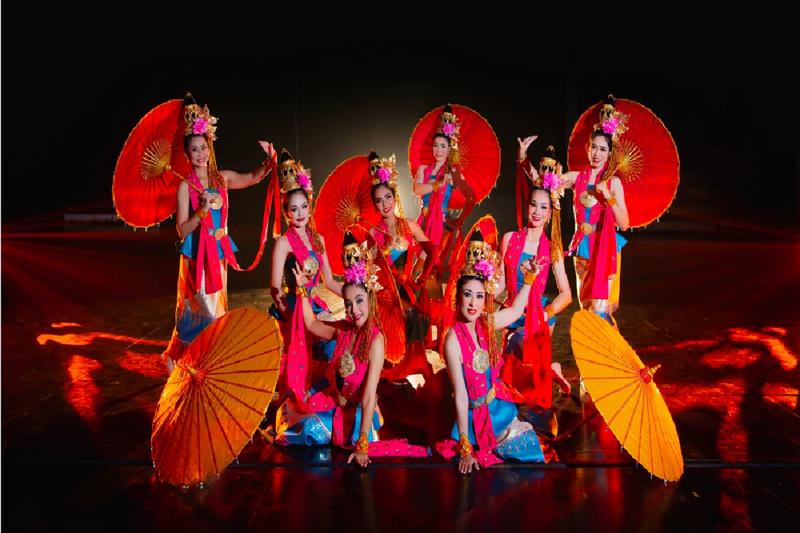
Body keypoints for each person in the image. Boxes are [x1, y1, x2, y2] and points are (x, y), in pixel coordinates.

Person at [275, 233, 429, 466]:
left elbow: (368, 397)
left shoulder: (376, 342)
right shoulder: (345, 330)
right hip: (335, 402)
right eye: (348, 304)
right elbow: (312, 324)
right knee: (296, 419)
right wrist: (303, 291)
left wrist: (363, 447)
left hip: (358, 415)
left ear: (370, 299)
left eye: (359, 301)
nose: (354, 310)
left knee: (311, 431)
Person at [162, 94, 276, 371]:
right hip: (194, 256)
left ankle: (210, 357)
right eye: (194, 150)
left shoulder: (220, 178)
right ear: (187, 155)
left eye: (203, 148)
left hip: (218, 251)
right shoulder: (184, 187)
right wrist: (200, 212)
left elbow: (252, 178)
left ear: (209, 147)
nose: (200, 154)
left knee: (217, 305)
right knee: (196, 307)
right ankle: (179, 355)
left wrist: (271, 158)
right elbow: (181, 230)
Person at [436, 227, 547, 474]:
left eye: (478, 296)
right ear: (458, 296)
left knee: (533, 452)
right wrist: (465, 447)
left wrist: (529, 280)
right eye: (468, 295)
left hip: (497, 409)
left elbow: (517, 310)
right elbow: (461, 396)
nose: (474, 303)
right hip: (473, 419)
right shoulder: (452, 340)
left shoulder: (485, 323)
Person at [518, 96, 630, 324]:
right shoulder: (575, 178)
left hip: (605, 247)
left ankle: (610, 356)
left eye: (603, 149)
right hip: (582, 249)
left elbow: (625, 223)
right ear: (588, 149)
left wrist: (608, 198)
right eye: (594, 148)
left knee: (601, 311)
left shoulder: (613, 183)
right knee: (587, 309)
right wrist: (523, 159)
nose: (597, 154)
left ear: (610, 153)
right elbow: (544, 181)